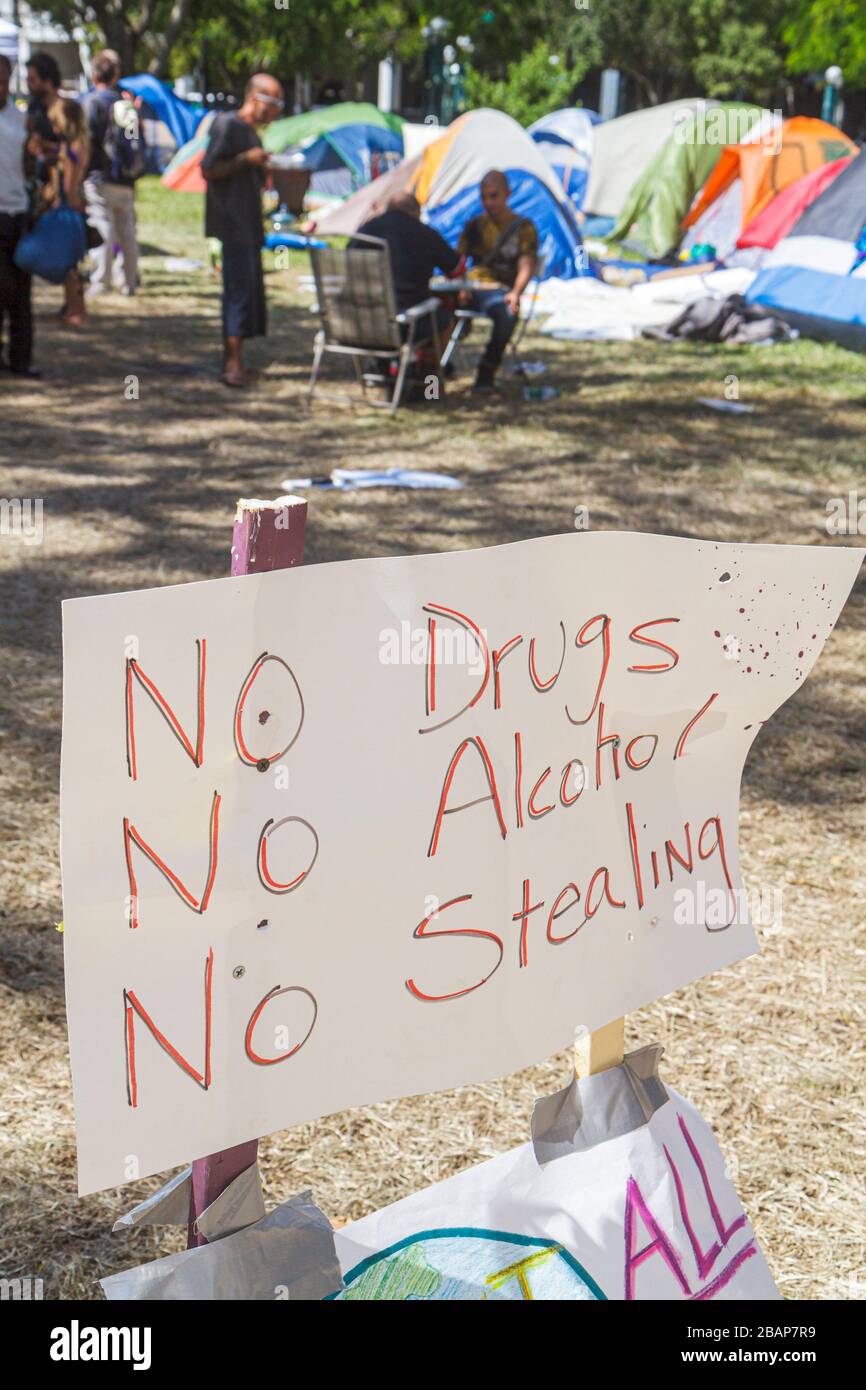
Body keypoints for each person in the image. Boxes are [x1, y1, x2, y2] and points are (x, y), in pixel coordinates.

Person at [201, 73, 284, 388]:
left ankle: (240, 357)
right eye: (275, 103)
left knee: (249, 292)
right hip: (231, 221)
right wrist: (244, 160)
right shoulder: (227, 125)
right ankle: (231, 362)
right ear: (255, 98)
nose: (277, 111)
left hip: (249, 222)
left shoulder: (252, 132)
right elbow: (209, 169)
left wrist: (261, 167)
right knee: (236, 292)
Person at [457, 170, 538, 391]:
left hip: (500, 291)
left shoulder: (523, 228)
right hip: (471, 288)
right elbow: (457, 262)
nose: (488, 202)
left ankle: (486, 373)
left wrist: (516, 293)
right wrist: (460, 284)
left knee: (507, 313)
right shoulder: (474, 226)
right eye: (484, 197)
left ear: (507, 194)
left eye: (494, 196)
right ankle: (431, 378)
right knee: (432, 308)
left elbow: (527, 264)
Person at [354, 192, 461, 350]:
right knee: (443, 319)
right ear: (416, 212)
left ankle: (386, 367)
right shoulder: (425, 233)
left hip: (360, 321)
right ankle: (428, 373)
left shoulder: (364, 231)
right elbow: (455, 270)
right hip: (404, 325)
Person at [81, 50, 141, 298]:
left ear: (94, 75)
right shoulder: (125, 103)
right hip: (126, 178)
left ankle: (101, 281)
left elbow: (85, 141)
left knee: (103, 229)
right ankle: (129, 281)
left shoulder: (93, 102)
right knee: (127, 232)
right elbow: (135, 138)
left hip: (99, 177)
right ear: (115, 75)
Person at [0, 54, 36, 377]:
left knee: (20, 292)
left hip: (16, 213)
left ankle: (21, 359)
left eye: (3, 80)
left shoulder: (20, 119)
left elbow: (28, 166)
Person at [40, 97, 90, 326]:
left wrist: (68, 203)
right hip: (75, 206)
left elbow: (69, 185)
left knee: (70, 267)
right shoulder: (80, 143)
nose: (53, 128)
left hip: (69, 209)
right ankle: (75, 308)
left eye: (55, 123)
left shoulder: (72, 148)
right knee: (71, 265)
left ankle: (76, 310)